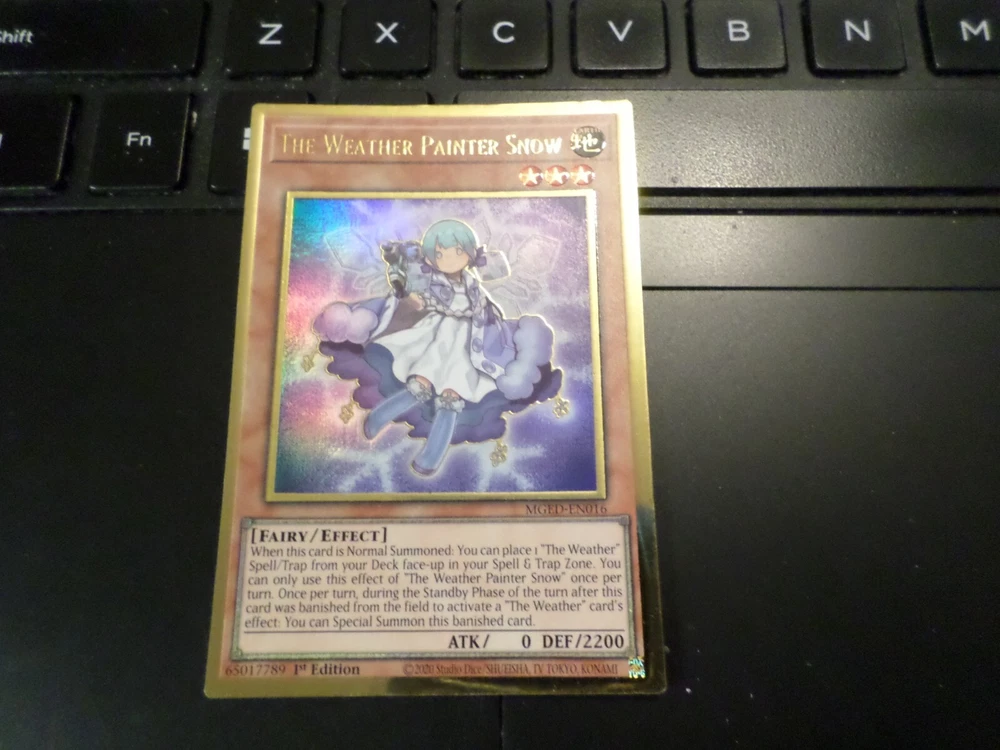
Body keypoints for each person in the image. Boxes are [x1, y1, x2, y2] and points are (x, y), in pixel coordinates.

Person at [313, 219, 562, 477]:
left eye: (457, 251)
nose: (448, 259)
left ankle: (430, 458)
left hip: (470, 345)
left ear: (468, 253)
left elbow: (490, 309)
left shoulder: (473, 284)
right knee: (421, 383)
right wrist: (409, 294)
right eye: (439, 254)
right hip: (437, 336)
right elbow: (408, 288)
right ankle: (376, 419)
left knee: (452, 397)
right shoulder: (432, 280)